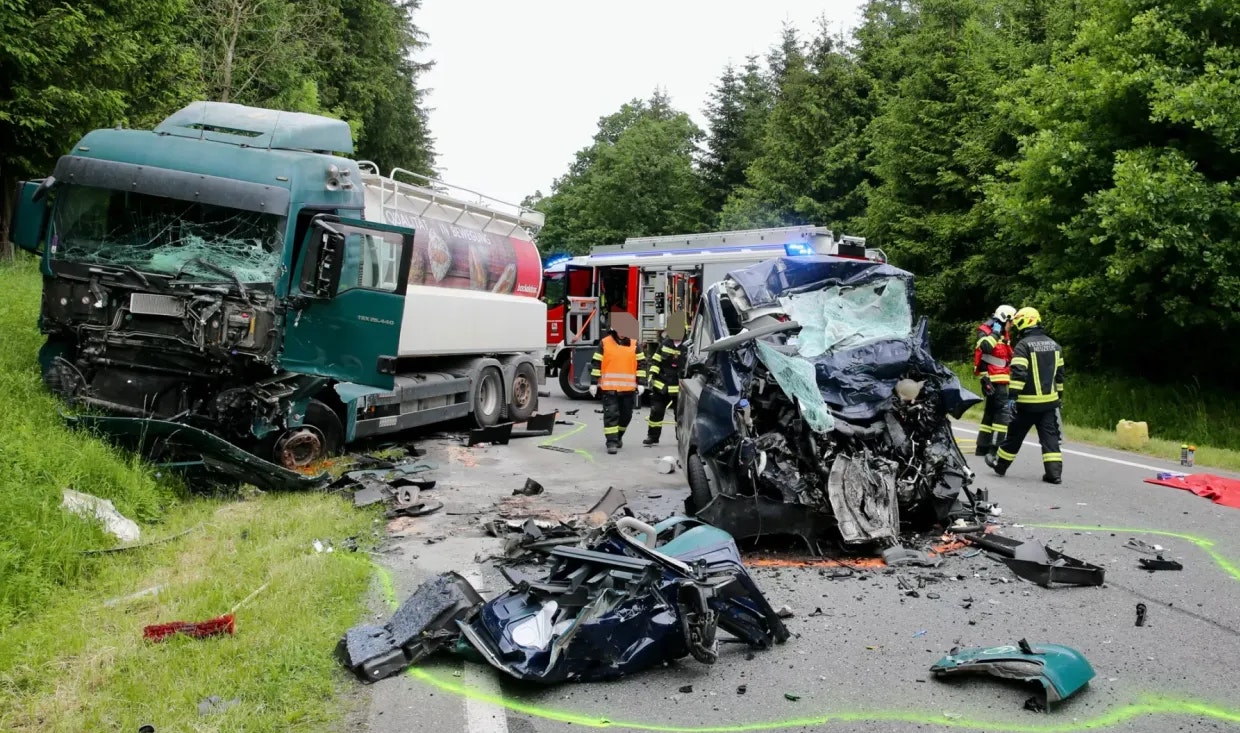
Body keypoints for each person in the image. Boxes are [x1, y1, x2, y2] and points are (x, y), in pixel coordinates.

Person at [987, 307, 1065, 484]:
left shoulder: (1023, 345)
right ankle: (1054, 474)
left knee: (1014, 436)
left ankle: (1000, 465)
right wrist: (1058, 397)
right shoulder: (1055, 345)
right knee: (1050, 439)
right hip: (1049, 403)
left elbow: (1019, 374)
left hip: (1027, 403)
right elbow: (1060, 376)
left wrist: (1012, 397)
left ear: (1025, 321)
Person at [589, 329, 646, 454]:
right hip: (609, 388)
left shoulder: (634, 344)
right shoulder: (605, 342)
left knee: (626, 415)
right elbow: (596, 363)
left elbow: (641, 364)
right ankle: (611, 442)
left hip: (628, 389)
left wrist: (641, 382)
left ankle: (619, 435)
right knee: (611, 415)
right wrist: (593, 383)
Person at [973, 304, 1016, 457]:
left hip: (999, 377)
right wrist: (996, 334)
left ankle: (981, 447)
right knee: (1002, 415)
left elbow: (1006, 356)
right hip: (995, 379)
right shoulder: (987, 332)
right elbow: (985, 347)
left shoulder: (1003, 335)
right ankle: (995, 448)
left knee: (990, 413)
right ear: (1005, 319)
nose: (1012, 325)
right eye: (1011, 322)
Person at [642, 331, 683, 446]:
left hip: (678, 387)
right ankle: (653, 437)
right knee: (656, 412)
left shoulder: (688, 346)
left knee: (680, 415)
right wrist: (651, 376)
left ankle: (681, 438)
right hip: (662, 385)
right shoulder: (664, 344)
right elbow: (655, 361)